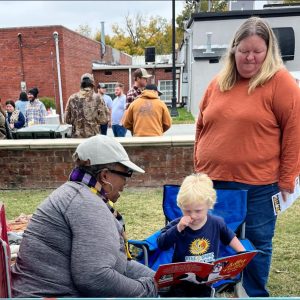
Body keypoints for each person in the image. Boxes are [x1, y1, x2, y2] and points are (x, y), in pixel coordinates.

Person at [194, 17, 300, 297]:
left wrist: (287, 180)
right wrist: (198, 169)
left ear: (268, 52)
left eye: (257, 51)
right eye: (244, 51)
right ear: (233, 50)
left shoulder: (281, 83)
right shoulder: (218, 83)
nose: (250, 57)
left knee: (257, 242)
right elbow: (201, 125)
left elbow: (294, 132)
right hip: (213, 182)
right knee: (209, 239)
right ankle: (216, 288)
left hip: (260, 185)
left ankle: (252, 293)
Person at [11, 135, 158, 298]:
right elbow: (94, 278)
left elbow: (118, 263)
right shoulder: (85, 203)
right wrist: (146, 289)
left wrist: (159, 280)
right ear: (104, 176)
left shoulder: (80, 194)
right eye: (126, 174)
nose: (126, 182)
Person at [157, 173, 245, 297]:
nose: (192, 215)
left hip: (206, 280)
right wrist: (178, 229)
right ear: (180, 206)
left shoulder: (217, 223)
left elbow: (230, 238)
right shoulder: (178, 224)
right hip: (180, 280)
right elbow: (161, 244)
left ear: (209, 205)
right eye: (187, 210)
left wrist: (242, 253)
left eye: (198, 211)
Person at [65, 73, 109, 138]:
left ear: (81, 83)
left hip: (77, 138)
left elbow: (67, 120)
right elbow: (104, 120)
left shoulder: (72, 98)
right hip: (93, 137)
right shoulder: (98, 98)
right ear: (92, 83)